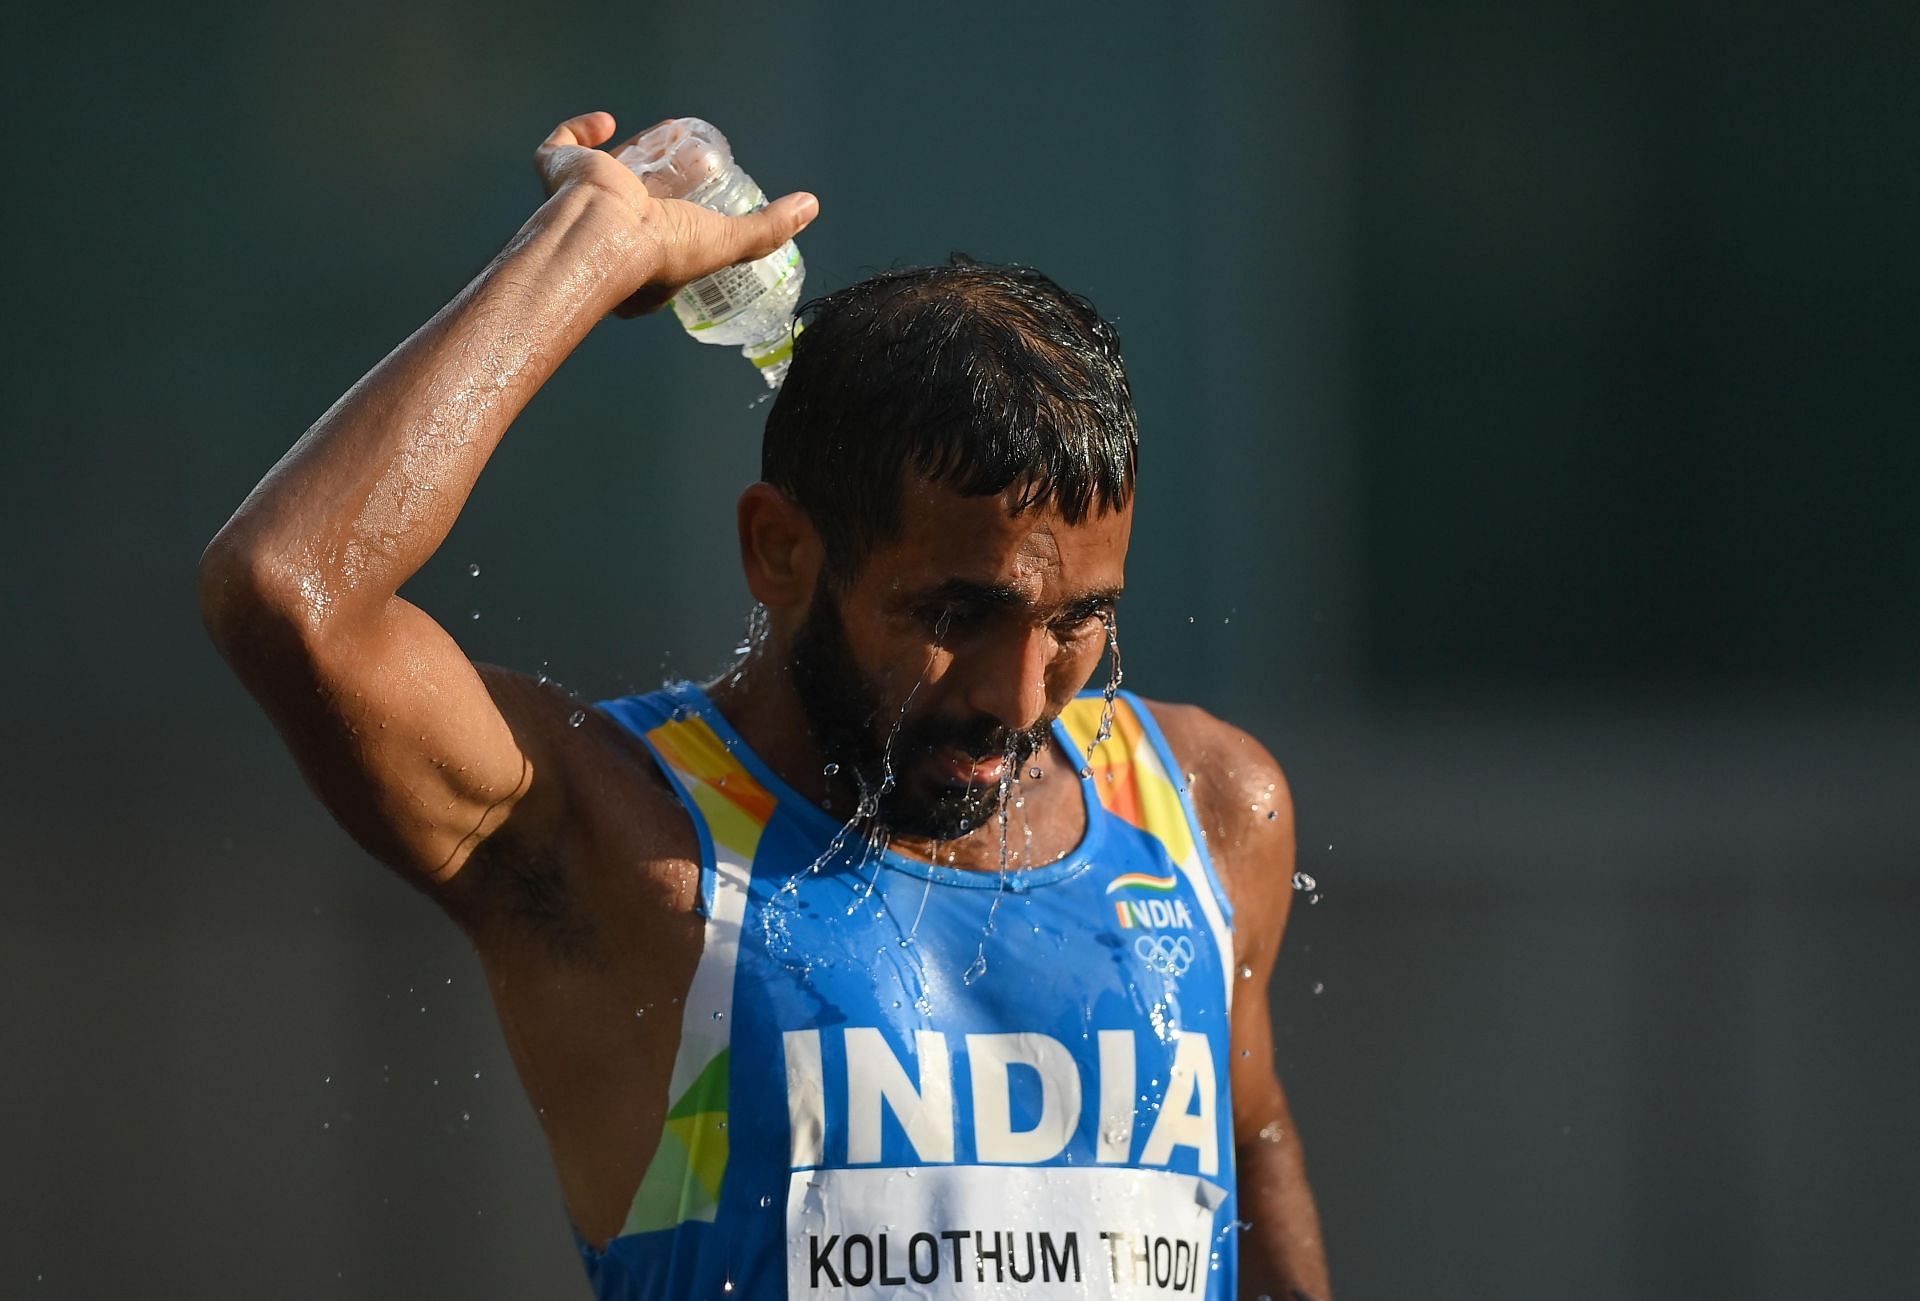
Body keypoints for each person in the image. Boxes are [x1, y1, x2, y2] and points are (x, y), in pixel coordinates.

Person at [200, 110, 1331, 1300]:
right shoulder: (625, 845)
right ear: (778, 549)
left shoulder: (1204, 807)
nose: (1016, 694)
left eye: (1077, 621)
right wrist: (589, 246)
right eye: (953, 616)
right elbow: (290, 589)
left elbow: (1251, 1151)